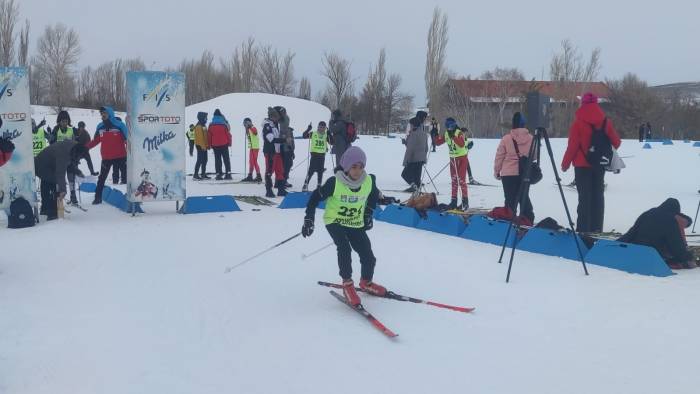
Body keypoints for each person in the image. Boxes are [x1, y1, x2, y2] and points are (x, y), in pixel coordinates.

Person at [302, 146, 385, 306]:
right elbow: (314, 197)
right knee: (344, 248)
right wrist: (309, 219)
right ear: (346, 167)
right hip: (335, 221)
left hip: (355, 223)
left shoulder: (368, 181)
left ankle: (366, 282)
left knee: (368, 255)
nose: (357, 171)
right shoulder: (335, 183)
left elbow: (373, 196)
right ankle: (347, 283)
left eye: (361, 167)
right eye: (354, 167)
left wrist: (368, 214)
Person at [561, 92, 621, 233]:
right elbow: (617, 142)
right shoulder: (606, 122)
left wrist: (565, 164)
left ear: (583, 104)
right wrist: (601, 150)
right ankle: (596, 228)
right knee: (598, 196)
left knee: (584, 198)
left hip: (582, 166)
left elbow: (573, 146)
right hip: (599, 165)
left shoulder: (578, 123)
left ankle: (583, 229)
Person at [618, 198, 696, 268]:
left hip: (638, 250)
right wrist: (688, 257)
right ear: (676, 212)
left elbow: (631, 233)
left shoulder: (647, 213)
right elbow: (676, 244)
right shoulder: (671, 220)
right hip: (655, 254)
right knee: (676, 256)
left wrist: (616, 243)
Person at [493, 112, 534, 223]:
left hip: (508, 175)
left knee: (510, 200)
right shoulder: (531, 138)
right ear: (524, 124)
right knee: (524, 198)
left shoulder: (506, 138)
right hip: (524, 173)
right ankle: (527, 221)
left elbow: (499, 156)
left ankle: (508, 222)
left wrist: (497, 171)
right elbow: (534, 156)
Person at [86, 106, 128, 204]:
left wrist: (133, 152)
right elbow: (95, 141)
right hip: (106, 158)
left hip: (121, 156)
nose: (103, 115)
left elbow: (127, 141)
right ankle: (97, 198)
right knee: (101, 179)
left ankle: (130, 199)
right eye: (101, 113)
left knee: (126, 179)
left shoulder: (120, 125)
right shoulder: (100, 126)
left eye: (105, 113)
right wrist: (84, 148)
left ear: (110, 113)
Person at [34, 140, 86, 219]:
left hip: (46, 164)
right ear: (76, 152)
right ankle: (51, 212)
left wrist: (77, 171)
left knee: (47, 183)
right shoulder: (63, 153)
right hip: (42, 165)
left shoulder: (73, 147)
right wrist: (63, 190)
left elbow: (69, 163)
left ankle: (45, 208)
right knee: (53, 183)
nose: (78, 159)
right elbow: (60, 173)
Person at [434, 117, 469, 210]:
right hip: (453, 159)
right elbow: (438, 142)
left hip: (462, 158)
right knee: (454, 180)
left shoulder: (459, 132)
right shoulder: (446, 133)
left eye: (451, 126)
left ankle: (465, 202)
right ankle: (453, 201)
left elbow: (461, 144)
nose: (449, 128)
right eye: (448, 127)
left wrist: (453, 136)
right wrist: (435, 134)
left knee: (461, 180)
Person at [401, 111, 429, 192]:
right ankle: (417, 189)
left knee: (405, 174)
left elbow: (410, 148)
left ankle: (414, 187)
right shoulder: (423, 131)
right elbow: (426, 147)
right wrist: (424, 158)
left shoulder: (414, 133)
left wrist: (406, 160)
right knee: (417, 178)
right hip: (421, 158)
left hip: (413, 158)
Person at [262, 107, 287, 197]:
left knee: (280, 170)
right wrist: (283, 140)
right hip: (270, 151)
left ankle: (281, 189)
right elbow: (271, 139)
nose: (277, 119)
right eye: (276, 117)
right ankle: (268, 190)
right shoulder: (267, 125)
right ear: (272, 116)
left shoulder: (275, 125)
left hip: (277, 151)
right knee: (269, 171)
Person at [302, 121, 330, 192]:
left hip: (322, 155)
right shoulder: (313, 133)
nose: (321, 129)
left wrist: (329, 134)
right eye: (320, 127)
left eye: (323, 128)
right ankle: (305, 184)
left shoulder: (326, 135)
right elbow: (304, 136)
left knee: (320, 171)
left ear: (325, 128)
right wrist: (308, 129)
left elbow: (332, 142)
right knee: (311, 171)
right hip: (314, 155)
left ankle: (319, 185)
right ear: (318, 127)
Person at [208, 108, 232, 180]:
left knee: (217, 159)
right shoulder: (224, 124)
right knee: (226, 159)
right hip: (224, 144)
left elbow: (209, 136)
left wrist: (209, 145)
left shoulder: (211, 125)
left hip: (215, 145)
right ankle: (228, 174)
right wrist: (229, 143)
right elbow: (228, 134)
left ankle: (218, 174)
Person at [241, 118, 262, 182]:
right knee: (251, 162)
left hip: (254, 147)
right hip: (252, 147)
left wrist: (249, 126)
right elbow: (249, 135)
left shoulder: (253, 127)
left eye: (245, 124)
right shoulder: (248, 129)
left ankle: (258, 176)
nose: (244, 125)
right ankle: (250, 175)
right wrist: (247, 128)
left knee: (254, 161)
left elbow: (255, 132)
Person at [193, 112, 210, 180]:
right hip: (200, 146)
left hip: (204, 146)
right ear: (202, 118)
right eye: (205, 117)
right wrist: (203, 146)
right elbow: (200, 138)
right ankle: (195, 174)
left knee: (205, 160)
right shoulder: (198, 126)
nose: (206, 119)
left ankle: (203, 174)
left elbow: (205, 136)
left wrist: (207, 145)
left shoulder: (203, 125)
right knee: (199, 160)